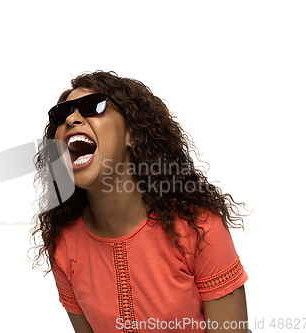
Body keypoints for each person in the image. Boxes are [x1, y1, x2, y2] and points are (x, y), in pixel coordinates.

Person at [31, 71, 250, 332]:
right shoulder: (64, 244)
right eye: (60, 114)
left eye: (93, 107)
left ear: (132, 135)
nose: (71, 119)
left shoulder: (200, 227)